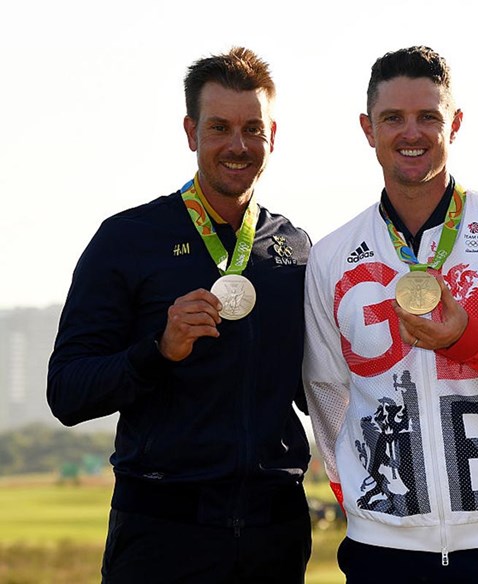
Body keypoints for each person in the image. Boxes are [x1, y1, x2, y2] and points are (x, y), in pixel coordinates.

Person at [302, 45, 478, 584]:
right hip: (381, 549)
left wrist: (469, 339)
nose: (411, 133)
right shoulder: (331, 254)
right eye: (393, 118)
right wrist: (371, 508)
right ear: (368, 128)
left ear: (454, 123)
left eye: (428, 117)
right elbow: (327, 395)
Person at [47, 47, 312, 583]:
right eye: (219, 128)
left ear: (273, 135)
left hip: (274, 533)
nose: (237, 146)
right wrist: (156, 351)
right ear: (191, 132)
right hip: (164, 534)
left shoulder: (297, 247)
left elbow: (318, 388)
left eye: (252, 129)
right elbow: (67, 392)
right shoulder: (126, 240)